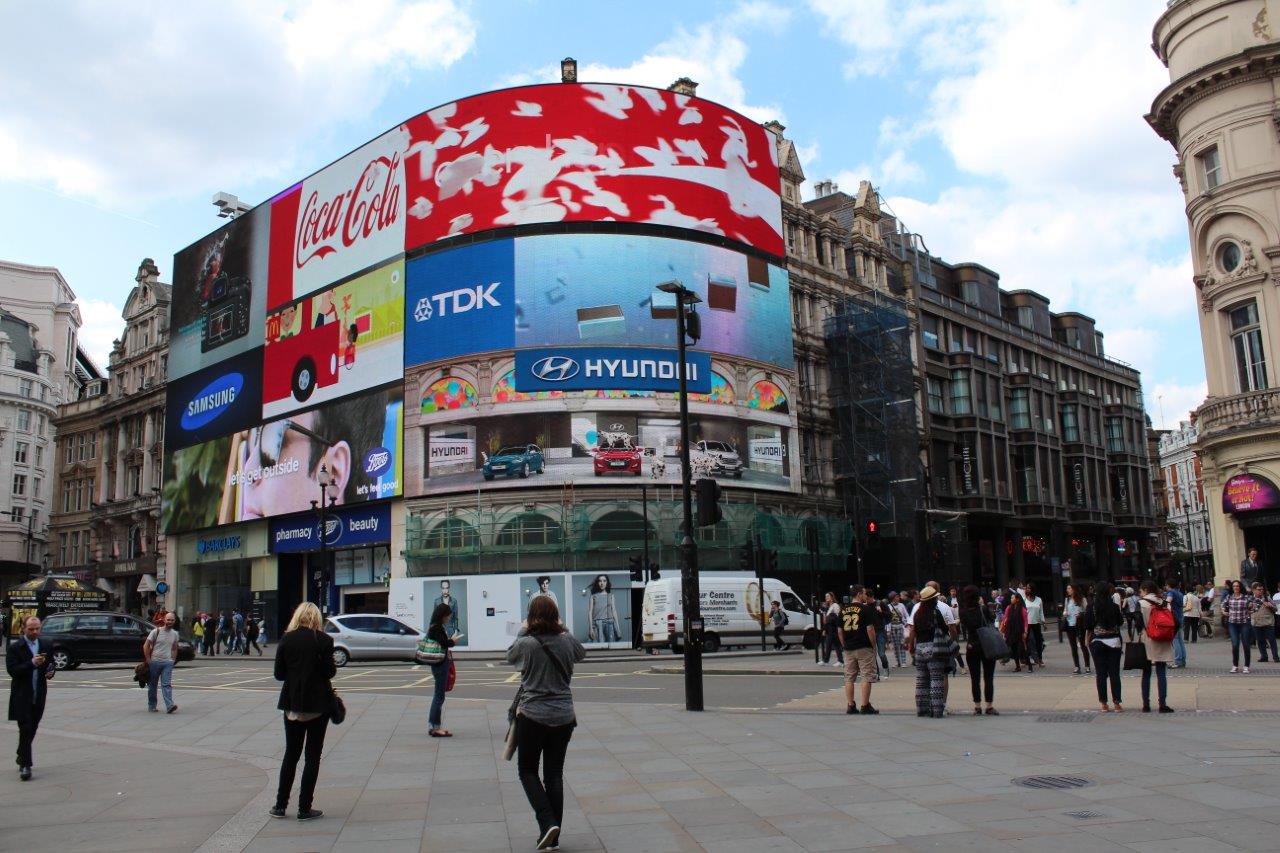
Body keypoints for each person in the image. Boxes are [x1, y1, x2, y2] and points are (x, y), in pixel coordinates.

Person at [508, 595, 587, 851]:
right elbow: (581, 653)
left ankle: (547, 822)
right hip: (564, 716)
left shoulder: (527, 643)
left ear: (531, 617)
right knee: (553, 774)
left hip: (532, 716)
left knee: (527, 770)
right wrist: (563, 627)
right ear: (556, 617)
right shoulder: (566, 642)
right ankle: (553, 836)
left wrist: (523, 628)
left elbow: (510, 655)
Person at [271, 602, 336, 821]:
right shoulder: (324, 640)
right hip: (317, 705)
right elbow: (330, 671)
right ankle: (304, 808)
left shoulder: (286, 639)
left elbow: (279, 674)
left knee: (291, 754)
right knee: (312, 756)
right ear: (317, 618)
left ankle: (280, 805)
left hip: (292, 703)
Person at [7, 616, 55, 780]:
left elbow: (50, 665)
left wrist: (50, 671)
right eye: (31, 629)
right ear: (24, 629)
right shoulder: (15, 648)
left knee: (32, 728)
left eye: (37, 628)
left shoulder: (45, 645)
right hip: (22, 695)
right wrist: (31, 663)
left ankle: (22, 753)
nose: (35, 632)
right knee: (25, 728)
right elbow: (12, 670)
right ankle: (25, 765)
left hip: (39, 694)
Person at [907, 586, 954, 718]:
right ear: (932, 599)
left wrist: (911, 647)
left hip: (920, 648)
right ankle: (937, 710)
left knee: (921, 679)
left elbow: (913, 631)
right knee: (936, 678)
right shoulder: (935, 612)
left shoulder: (917, 614)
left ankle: (922, 709)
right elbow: (945, 629)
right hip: (934, 648)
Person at [837, 585, 880, 715]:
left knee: (849, 677)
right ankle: (865, 705)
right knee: (866, 676)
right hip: (863, 646)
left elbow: (839, 631)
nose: (865, 596)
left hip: (849, 647)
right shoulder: (865, 609)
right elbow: (870, 629)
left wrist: (844, 644)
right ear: (859, 594)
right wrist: (874, 645)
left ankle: (850, 704)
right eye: (864, 594)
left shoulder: (843, 610)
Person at [1084, 582, 1124, 712]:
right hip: (1114, 641)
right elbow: (1120, 622)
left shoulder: (1092, 607)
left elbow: (1088, 625)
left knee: (1100, 674)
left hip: (1098, 641)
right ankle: (1117, 703)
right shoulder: (1114, 606)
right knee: (1114, 673)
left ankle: (1104, 704)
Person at [959, 585, 997, 716]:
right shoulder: (983, 608)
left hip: (972, 646)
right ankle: (989, 706)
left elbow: (965, 625)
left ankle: (977, 706)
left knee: (974, 678)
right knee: (988, 677)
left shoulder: (963, 611)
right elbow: (992, 619)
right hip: (986, 645)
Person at [1138, 580, 1174, 713]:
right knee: (1161, 672)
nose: (1140, 594)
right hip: (1163, 638)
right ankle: (1162, 704)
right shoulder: (1164, 603)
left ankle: (1146, 704)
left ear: (1146, 590)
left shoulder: (1141, 603)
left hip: (1147, 638)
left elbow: (1137, 623)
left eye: (1141, 591)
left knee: (1146, 672)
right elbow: (1173, 622)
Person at [427, 602, 459, 737]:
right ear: (442, 616)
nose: (449, 619)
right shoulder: (437, 628)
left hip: (438, 664)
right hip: (440, 664)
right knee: (439, 696)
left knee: (438, 695)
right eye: (448, 616)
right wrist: (453, 641)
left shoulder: (434, 627)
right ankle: (435, 728)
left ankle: (434, 725)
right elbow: (444, 644)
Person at [144, 611, 180, 714]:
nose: (170, 621)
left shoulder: (175, 634)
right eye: (168, 619)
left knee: (166, 684)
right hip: (154, 662)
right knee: (152, 685)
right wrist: (148, 660)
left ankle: (169, 706)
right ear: (164, 620)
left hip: (167, 663)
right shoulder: (156, 632)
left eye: (172, 620)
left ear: (174, 621)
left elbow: (174, 648)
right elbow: (146, 646)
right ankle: (152, 705)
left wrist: (172, 660)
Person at [1224, 579, 1257, 673]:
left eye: (1237, 586)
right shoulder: (1229, 597)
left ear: (1240, 587)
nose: (1236, 588)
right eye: (1234, 586)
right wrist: (1223, 611)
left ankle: (1246, 666)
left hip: (1244, 623)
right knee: (1235, 644)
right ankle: (1235, 665)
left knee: (1246, 644)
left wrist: (1252, 610)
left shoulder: (1246, 597)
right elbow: (1223, 605)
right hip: (1232, 623)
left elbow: (1257, 602)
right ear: (1232, 588)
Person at [1062, 584, 1091, 675]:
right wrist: (1065, 613)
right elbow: (1065, 610)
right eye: (1067, 588)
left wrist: (1081, 614)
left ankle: (1087, 666)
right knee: (1073, 647)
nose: (1067, 590)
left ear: (1074, 589)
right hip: (1070, 624)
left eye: (1069, 588)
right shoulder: (1067, 600)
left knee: (1083, 645)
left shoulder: (1082, 599)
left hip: (1079, 624)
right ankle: (1077, 666)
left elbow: (1087, 611)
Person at [1001, 593, 1031, 672]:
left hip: (1020, 632)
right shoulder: (1008, 608)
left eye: (1012, 598)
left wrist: (1025, 631)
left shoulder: (1022, 609)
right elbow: (1005, 618)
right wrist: (1003, 627)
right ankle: (1018, 666)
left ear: (1017, 599)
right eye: (1011, 598)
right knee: (1014, 650)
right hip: (1011, 631)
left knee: (1023, 649)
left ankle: (1030, 666)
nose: (1011, 599)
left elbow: (1025, 621)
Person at [586, 575, 621, 643]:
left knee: (611, 645)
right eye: (600, 581)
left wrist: (618, 627)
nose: (602, 583)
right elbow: (590, 612)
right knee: (596, 645)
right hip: (597, 623)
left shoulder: (610, 595)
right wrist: (590, 628)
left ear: (607, 583)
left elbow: (614, 611)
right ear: (597, 583)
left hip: (609, 622)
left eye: (604, 581)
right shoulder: (593, 596)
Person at [1250, 581, 1278, 662]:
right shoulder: (1250, 599)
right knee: (1260, 641)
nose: (1261, 591)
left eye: (1262, 589)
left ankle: (1276, 657)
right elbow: (1246, 610)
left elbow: (1276, 609)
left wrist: (1270, 605)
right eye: (1259, 589)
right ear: (1253, 590)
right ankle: (1264, 656)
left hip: (1268, 622)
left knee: (1272, 640)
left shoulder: (1267, 598)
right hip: (1256, 623)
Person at [1164, 580, 1186, 668]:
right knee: (1180, 640)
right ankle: (1182, 660)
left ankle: (1177, 661)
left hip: (1174, 619)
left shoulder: (1171, 592)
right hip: (1180, 617)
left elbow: (1168, 601)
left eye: (1166, 585)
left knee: (1175, 640)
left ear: (1168, 585)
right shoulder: (1180, 593)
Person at [1023, 583, 1046, 666]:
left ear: (1033, 590)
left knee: (1038, 641)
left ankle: (1040, 659)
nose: (1027, 589)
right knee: (1026, 641)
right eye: (1027, 588)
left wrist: (1043, 623)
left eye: (1029, 588)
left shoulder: (1038, 600)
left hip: (1036, 623)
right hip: (1027, 624)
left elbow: (1041, 612)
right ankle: (1027, 659)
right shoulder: (1024, 599)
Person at [820, 592, 843, 667]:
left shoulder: (835, 605)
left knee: (830, 644)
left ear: (832, 597)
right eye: (825, 596)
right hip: (829, 628)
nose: (826, 598)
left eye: (828, 596)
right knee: (834, 645)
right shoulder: (828, 607)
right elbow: (825, 620)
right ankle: (839, 661)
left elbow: (838, 616)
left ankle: (827, 661)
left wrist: (830, 617)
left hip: (833, 628)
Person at [886, 592, 908, 667]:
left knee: (902, 644)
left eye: (898, 597)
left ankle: (903, 661)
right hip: (892, 627)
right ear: (892, 598)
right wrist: (888, 630)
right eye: (896, 597)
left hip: (900, 626)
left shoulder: (902, 605)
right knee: (895, 646)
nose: (898, 598)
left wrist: (907, 624)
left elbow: (906, 615)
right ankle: (897, 662)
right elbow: (888, 619)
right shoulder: (888, 606)